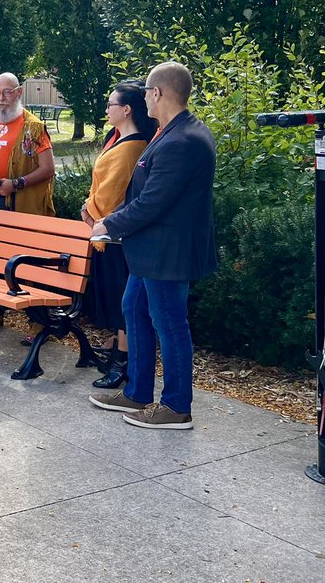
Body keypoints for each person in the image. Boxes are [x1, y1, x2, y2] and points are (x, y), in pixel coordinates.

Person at [90, 61, 217, 431]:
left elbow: (153, 202)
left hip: (168, 254)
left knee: (170, 323)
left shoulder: (184, 140)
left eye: (146, 91)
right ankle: (138, 392)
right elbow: (145, 193)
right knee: (133, 307)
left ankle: (177, 407)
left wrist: (108, 224)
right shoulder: (171, 131)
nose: (144, 97)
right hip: (151, 253)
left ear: (158, 93)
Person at [0, 72, 56, 328]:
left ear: (18, 93)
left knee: (25, 262)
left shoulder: (33, 127)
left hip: (20, 206)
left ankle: (38, 322)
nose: (0, 98)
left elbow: (48, 169)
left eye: (6, 92)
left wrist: (14, 184)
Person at [82, 82, 156, 388]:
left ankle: (122, 364)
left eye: (111, 104)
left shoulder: (130, 148)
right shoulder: (123, 140)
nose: (106, 109)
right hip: (108, 237)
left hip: (114, 239)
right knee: (118, 303)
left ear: (126, 110)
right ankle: (116, 354)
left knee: (123, 304)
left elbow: (111, 197)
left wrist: (88, 212)